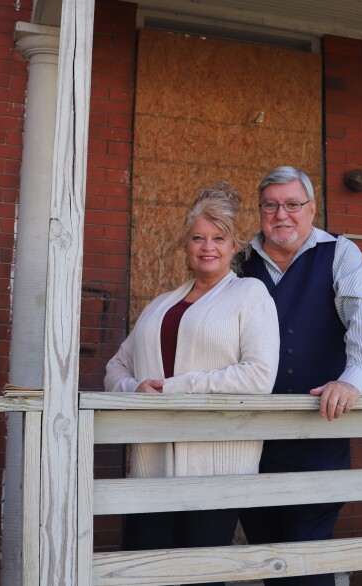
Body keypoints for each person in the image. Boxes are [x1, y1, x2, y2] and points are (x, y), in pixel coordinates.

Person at [103, 182, 279, 560]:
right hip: (151, 467)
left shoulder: (250, 294)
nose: (208, 246)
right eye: (198, 237)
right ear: (186, 245)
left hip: (213, 468)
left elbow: (259, 376)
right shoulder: (160, 305)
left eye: (219, 237)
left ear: (234, 246)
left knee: (200, 573)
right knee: (144, 568)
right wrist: (135, 389)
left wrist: (176, 387)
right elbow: (116, 365)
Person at [238, 166, 362, 586]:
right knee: (269, 559)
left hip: (317, 437)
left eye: (292, 204)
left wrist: (353, 379)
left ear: (312, 208)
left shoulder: (340, 252)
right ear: (261, 210)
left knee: (307, 565)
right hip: (250, 444)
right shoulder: (239, 261)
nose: (281, 214)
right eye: (271, 205)